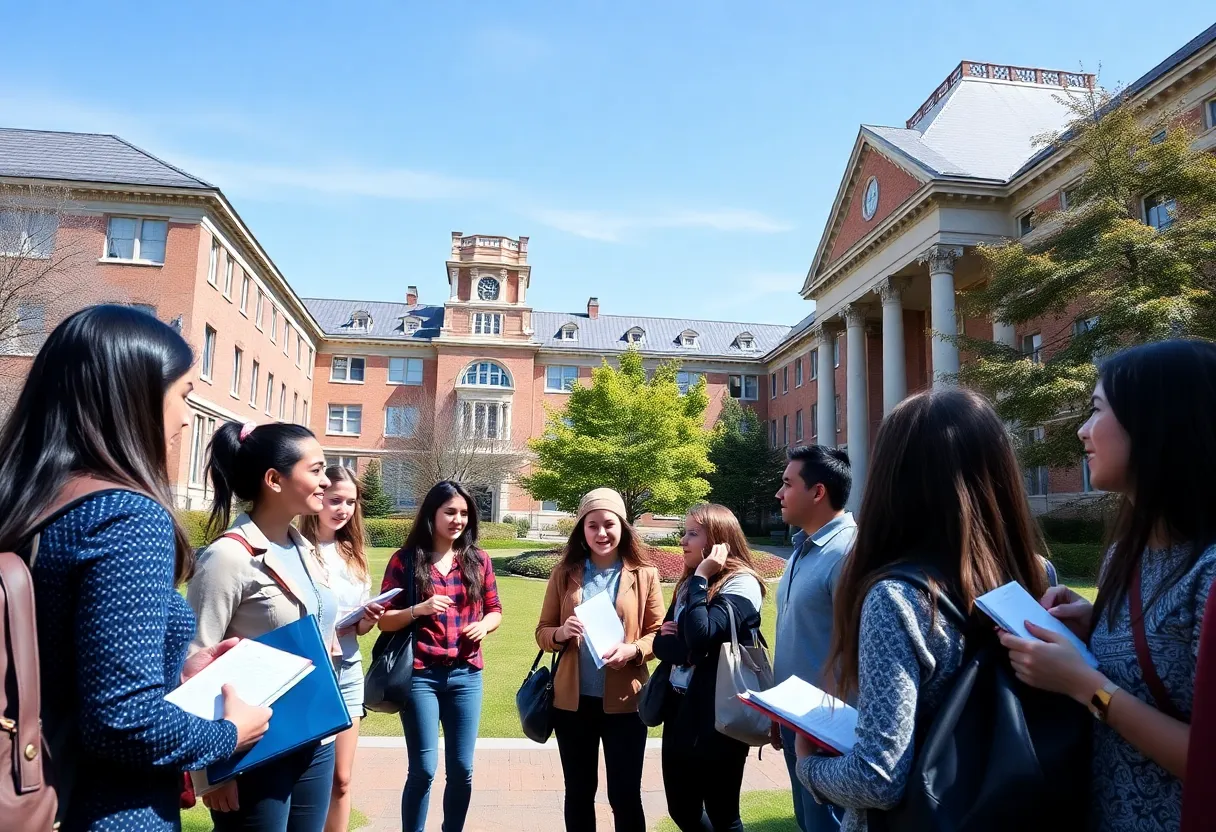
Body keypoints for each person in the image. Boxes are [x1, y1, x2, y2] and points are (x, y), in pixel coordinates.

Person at [0, 305, 270, 831]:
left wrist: (175, 671)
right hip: (111, 810)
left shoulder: (27, 503)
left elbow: (61, 662)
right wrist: (228, 733)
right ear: (136, 398)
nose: (188, 418)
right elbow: (124, 720)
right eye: (185, 394)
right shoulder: (126, 516)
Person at [796, 388, 1056, 832]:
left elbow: (877, 778)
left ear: (893, 480)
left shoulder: (896, 597)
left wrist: (808, 768)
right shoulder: (1037, 576)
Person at [1000, 339, 1216, 831]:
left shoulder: (1210, 572)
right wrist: (1096, 624)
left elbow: (1206, 760)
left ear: (1157, 425)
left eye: (1096, 411)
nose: (1082, 431)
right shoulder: (1126, 553)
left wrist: (1085, 686)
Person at [189, 420, 339, 831]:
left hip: (315, 734)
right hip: (252, 748)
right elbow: (193, 662)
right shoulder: (227, 558)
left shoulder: (305, 548)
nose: (326, 482)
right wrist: (212, 772)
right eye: (316, 470)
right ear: (274, 479)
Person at [535, 488, 665, 832]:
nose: (601, 533)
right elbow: (542, 632)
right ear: (582, 529)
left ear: (623, 526)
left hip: (626, 703)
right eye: (592, 525)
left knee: (624, 795)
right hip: (572, 705)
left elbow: (659, 634)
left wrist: (633, 650)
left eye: (609, 524)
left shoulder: (644, 574)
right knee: (578, 793)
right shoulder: (565, 572)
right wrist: (561, 632)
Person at [377, 480, 503, 832]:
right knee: (423, 770)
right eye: (450, 512)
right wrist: (419, 609)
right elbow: (384, 622)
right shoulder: (405, 560)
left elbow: (495, 609)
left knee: (462, 770)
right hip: (420, 676)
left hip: (466, 675)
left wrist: (485, 626)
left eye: (464, 513)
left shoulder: (479, 560)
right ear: (432, 514)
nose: (457, 519)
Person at [653, 503, 766, 832]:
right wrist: (687, 646)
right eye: (683, 532)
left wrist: (703, 576)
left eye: (692, 533)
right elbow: (663, 643)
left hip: (720, 712)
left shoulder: (741, 583)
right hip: (679, 707)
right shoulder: (688, 585)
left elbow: (699, 635)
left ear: (717, 540)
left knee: (722, 812)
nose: (683, 541)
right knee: (682, 809)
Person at [771, 445, 855, 832]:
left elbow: (864, 651)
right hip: (795, 721)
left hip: (829, 731)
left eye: (788, 484)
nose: (779, 493)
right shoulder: (801, 550)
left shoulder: (849, 553)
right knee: (808, 823)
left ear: (818, 492)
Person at [299, 465, 384, 832]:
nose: (343, 509)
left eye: (350, 502)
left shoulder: (353, 553)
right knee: (305, 777)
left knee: (342, 779)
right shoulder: (296, 549)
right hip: (309, 673)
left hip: (348, 670)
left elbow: (360, 628)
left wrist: (369, 617)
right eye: (335, 500)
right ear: (317, 498)